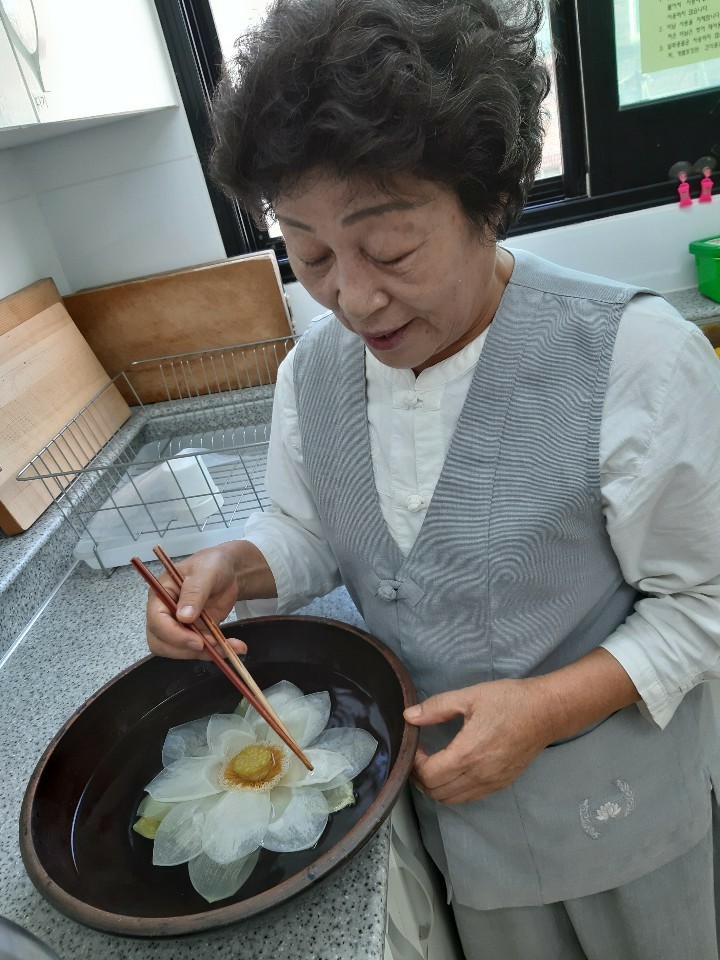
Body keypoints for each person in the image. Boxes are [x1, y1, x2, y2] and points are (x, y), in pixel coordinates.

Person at [145, 1, 720, 956]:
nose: (352, 296)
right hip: (451, 820)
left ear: (484, 202)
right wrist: (232, 570)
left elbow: (702, 602)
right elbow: (318, 527)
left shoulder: (633, 355)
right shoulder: (314, 371)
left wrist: (542, 708)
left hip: (621, 822)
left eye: (390, 248)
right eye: (311, 251)